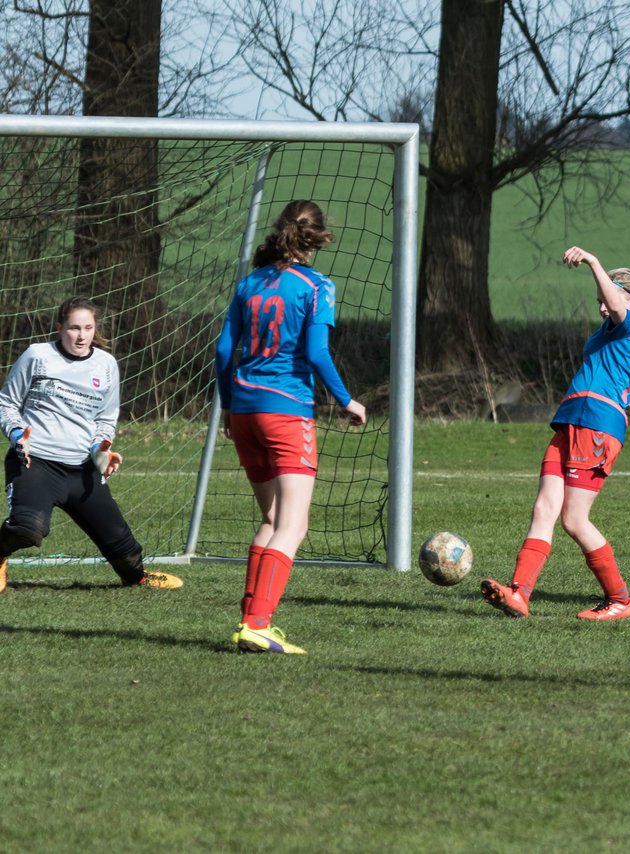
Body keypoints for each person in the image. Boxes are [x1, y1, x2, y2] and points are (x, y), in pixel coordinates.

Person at [480, 246, 630, 621]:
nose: (603, 307)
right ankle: (519, 593)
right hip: (572, 422)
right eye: (599, 302)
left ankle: (620, 600)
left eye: (607, 298)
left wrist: (593, 262)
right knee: (543, 509)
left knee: (574, 521)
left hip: (595, 427)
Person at [215, 200, 366, 654]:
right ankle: (258, 623)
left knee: (272, 519)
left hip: (243, 409)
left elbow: (225, 351)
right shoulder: (317, 286)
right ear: (318, 238)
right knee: (294, 525)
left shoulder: (249, 283)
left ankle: (249, 621)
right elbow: (318, 354)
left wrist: (227, 405)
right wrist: (347, 400)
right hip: (285, 413)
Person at [0, 297, 182, 593]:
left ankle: (137, 576)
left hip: (81, 472)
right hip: (36, 465)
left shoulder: (106, 364)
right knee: (28, 529)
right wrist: (18, 434)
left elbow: (106, 419)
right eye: (73, 328)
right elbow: (7, 403)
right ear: (60, 328)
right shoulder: (38, 355)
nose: (81, 335)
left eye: (87, 327)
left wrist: (101, 452)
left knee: (127, 556)